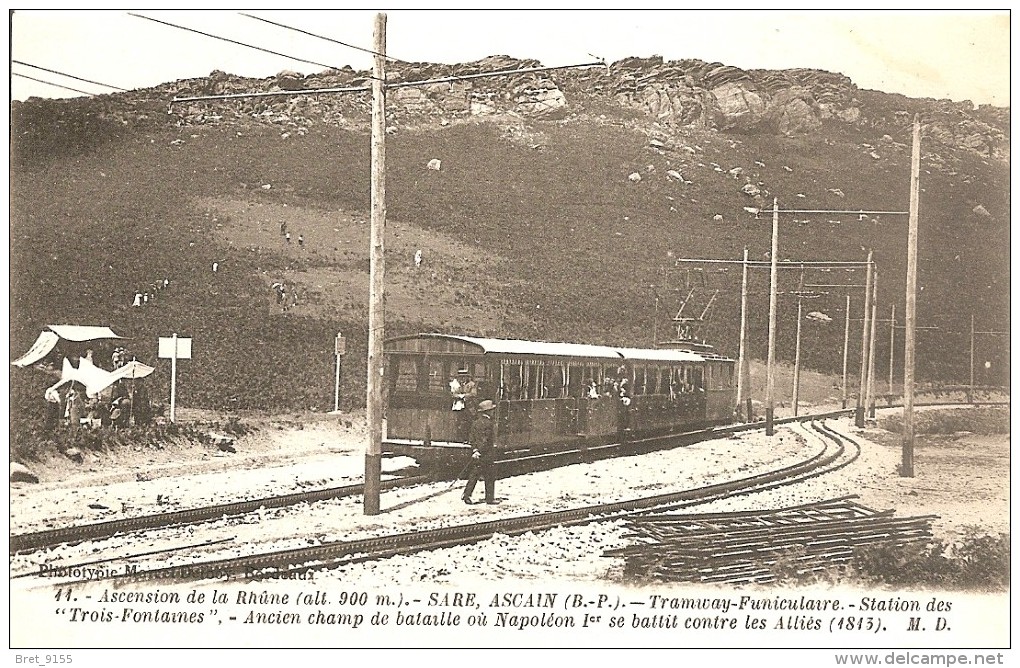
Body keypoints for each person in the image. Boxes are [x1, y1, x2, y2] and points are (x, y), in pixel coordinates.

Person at [462, 400, 499, 505]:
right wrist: (480, 451)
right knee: (490, 477)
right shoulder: (489, 424)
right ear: (488, 412)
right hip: (486, 454)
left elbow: (471, 438)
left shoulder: (475, 423)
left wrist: (475, 450)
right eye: (492, 410)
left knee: (474, 475)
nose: (493, 412)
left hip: (477, 454)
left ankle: (466, 495)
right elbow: (486, 440)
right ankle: (489, 499)